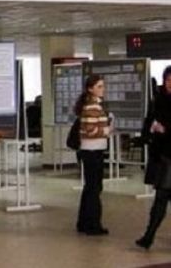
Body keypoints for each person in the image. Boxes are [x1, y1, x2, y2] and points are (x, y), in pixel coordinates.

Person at [136, 67, 171, 249]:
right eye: (168, 80)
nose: (170, 84)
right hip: (163, 155)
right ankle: (148, 236)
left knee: (161, 197)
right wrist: (150, 131)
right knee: (161, 198)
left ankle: (149, 236)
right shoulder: (157, 100)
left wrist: (166, 130)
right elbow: (149, 121)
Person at [75, 74, 111, 236]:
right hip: (93, 150)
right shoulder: (92, 106)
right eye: (99, 86)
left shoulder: (93, 104)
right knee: (95, 188)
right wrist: (107, 130)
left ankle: (84, 222)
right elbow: (91, 130)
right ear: (90, 89)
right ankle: (93, 224)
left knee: (90, 187)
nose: (103, 89)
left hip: (91, 149)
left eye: (103, 86)